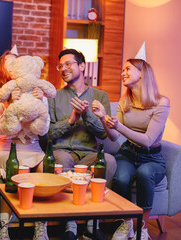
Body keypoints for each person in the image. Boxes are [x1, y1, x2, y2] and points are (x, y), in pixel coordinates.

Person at [92, 58, 170, 240]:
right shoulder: (125, 99)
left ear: (142, 73)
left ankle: (142, 228)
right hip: (128, 152)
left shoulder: (162, 102)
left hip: (152, 158)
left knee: (145, 173)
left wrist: (119, 126)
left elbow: (148, 141)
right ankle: (126, 223)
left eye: (127, 69)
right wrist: (104, 118)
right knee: (120, 178)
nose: (122, 73)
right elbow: (114, 136)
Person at [48, 48, 117, 239]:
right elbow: (49, 135)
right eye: (60, 65)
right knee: (62, 159)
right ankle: (69, 224)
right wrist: (71, 119)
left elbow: (104, 133)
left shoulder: (100, 96)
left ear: (82, 66)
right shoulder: (53, 96)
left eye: (68, 64)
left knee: (109, 160)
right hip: (62, 152)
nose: (63, 68)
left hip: (88, 155)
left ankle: (91, 222)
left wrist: (87, 116)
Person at [0, 50, 49, 240]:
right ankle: (3, 227)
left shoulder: (38, 92)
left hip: (33, 148)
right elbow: (1, 129)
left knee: (47, 170)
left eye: (17, 62)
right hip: (6, 149)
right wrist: (10, 104)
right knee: (18, 170)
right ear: (3, 68)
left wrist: (39, 104)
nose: (14, 66)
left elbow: (43, 130)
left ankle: (40, 225)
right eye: (9, 63)